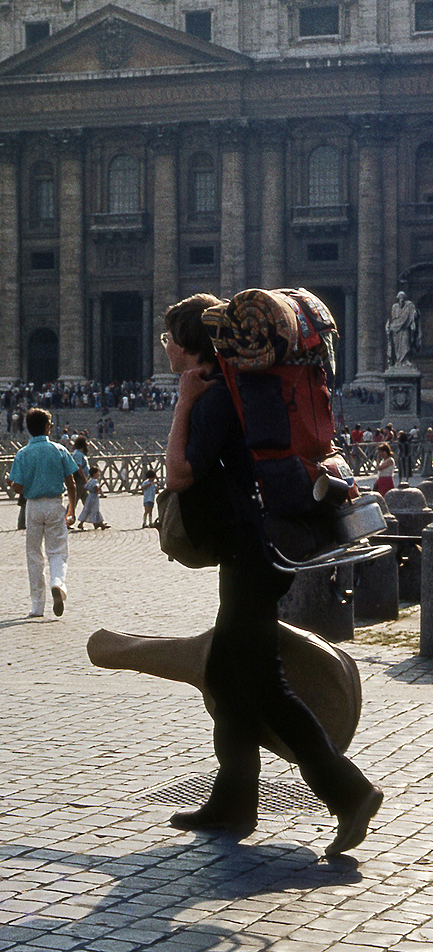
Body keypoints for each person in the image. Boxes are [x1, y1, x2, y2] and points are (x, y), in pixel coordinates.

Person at [161, 292, 382, 856]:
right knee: (230, 675)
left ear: (187, 347)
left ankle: (349, 791)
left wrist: (183, 404)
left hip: (252, 552)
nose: (164, 348)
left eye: (168, 339)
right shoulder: (244, 387)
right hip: (265, 544)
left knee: (260, 681)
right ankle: (234, 798)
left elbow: (181, 474)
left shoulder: (212, 396)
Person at [8, 408, 77, 619]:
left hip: (33, 506)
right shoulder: (59, 450)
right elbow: (72, 483)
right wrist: (72, 509)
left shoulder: (22, 453)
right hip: (56, 504)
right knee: (57, 551)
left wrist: (10, 483)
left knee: (34, 554)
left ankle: (37, 606)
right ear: (48, 427)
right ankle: (58, 583)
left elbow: (18, 487)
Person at [386, 291, 421, 366]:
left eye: (402, 297)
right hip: (396, 330)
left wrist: (413, 319)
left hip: (405, 329)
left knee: (405, 344)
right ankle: (398, 360)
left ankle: (405, 360)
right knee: (397, 347)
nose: (401, 299)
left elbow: (413, 314)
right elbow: (393, 317)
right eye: (399, 297)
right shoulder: (395, 306)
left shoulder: (409, 305)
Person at [71, 435, 90, 510]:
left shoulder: (80, 454)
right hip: (79, 480)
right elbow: (79, 467)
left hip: (82, 480)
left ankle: (96, 518)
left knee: (87, 500)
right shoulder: (77, 454)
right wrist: (85, 479)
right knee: (74, 500)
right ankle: (66, 518)